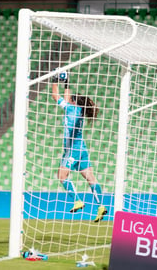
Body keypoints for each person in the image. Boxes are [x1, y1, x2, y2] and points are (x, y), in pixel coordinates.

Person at [51, 70, 107, 222]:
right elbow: (68, 97)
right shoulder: (80, 110)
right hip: (82, 148)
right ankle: (101, 206)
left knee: (62, 176)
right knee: (91, 178)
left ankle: (77, 200)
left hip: (73, 150)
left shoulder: (71, 109)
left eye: (71, 99)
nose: (68, 100)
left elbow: (56, 96)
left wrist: (54, 80)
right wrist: (67, 81)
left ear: (74, 102)